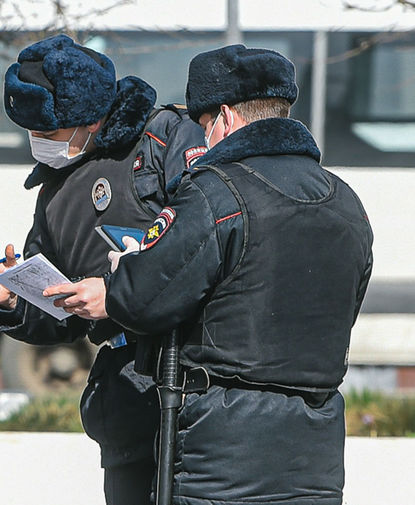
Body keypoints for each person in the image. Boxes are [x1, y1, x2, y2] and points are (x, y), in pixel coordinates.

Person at [47, 44, 374, 505]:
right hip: (316, 449)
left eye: (203, 127)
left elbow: (144, 300)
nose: (202, 141)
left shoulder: (215, 192)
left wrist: (125, 273)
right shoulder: (345, 202)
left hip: (223, 450)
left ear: (223, 117)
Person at [0, 34, 206, 505]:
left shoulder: (165, 139)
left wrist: (115, 292)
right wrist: (13, 300)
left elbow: (202, 246)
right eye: (30, 133)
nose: (37, 144)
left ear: (90, 120)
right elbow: (60, 316)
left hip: (189, 384)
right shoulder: (54, 191)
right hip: (123, 401)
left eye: (47, 133)